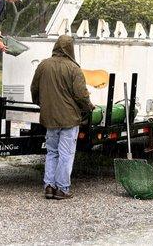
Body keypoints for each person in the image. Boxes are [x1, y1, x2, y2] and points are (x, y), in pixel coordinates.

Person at [30, 35, 94, 200]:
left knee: (52, 151)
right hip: (69, 119)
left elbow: (34, 89)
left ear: (56, 47)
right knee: (66, 153)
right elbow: (81, 95)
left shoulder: (43, 65)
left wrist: (42, 104)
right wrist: (88, 107)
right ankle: (62, 189)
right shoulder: (74, 68)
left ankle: (49, 186)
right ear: (70, 49)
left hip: (50, 118)